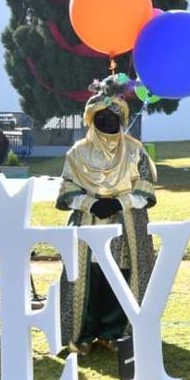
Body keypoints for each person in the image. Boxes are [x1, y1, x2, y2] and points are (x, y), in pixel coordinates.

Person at [56, 79, 158, 354]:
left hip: (126, 223)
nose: (107, 121)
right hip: (88, 225)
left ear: (122, 119)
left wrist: (119, 202)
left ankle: (116, 332)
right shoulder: (77, 153)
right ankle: (84, 334)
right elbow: (66, 189)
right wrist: (90, 203)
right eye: (100, 116)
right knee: (88, 276)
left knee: (122, 275)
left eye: (113, 117)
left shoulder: (136, 151)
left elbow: (145, 188)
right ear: (91, 119)